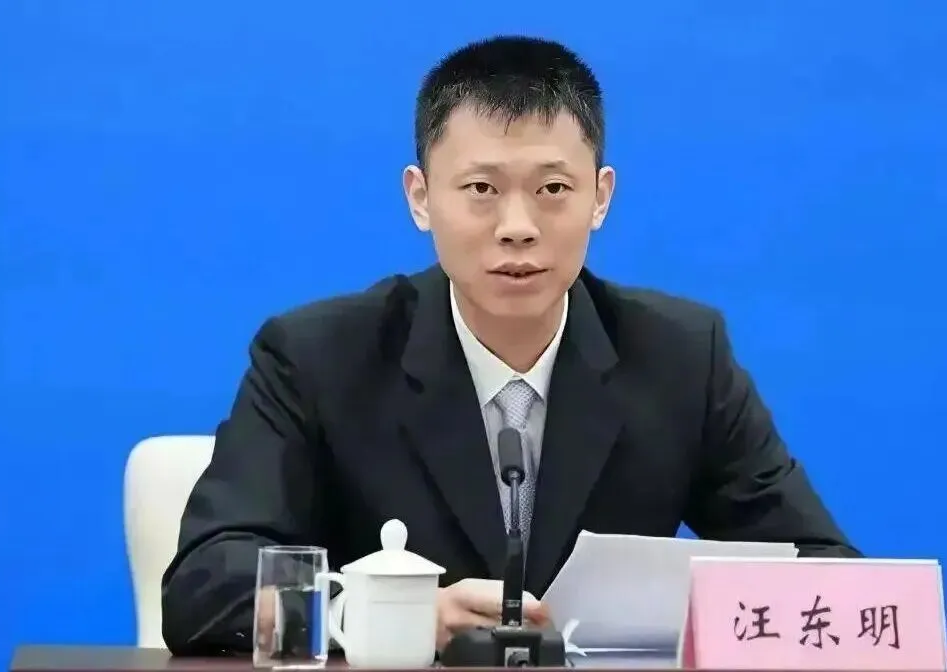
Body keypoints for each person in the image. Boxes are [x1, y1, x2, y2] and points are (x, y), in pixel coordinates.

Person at [162, 34, 859, 656]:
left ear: (601, 197)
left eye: (553, 188)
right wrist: (380, 615)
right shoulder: (318, 356)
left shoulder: (681, 357)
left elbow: (826, 574)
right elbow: (204, 582)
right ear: (420, 197)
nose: (518, 226)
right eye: (481, 189)